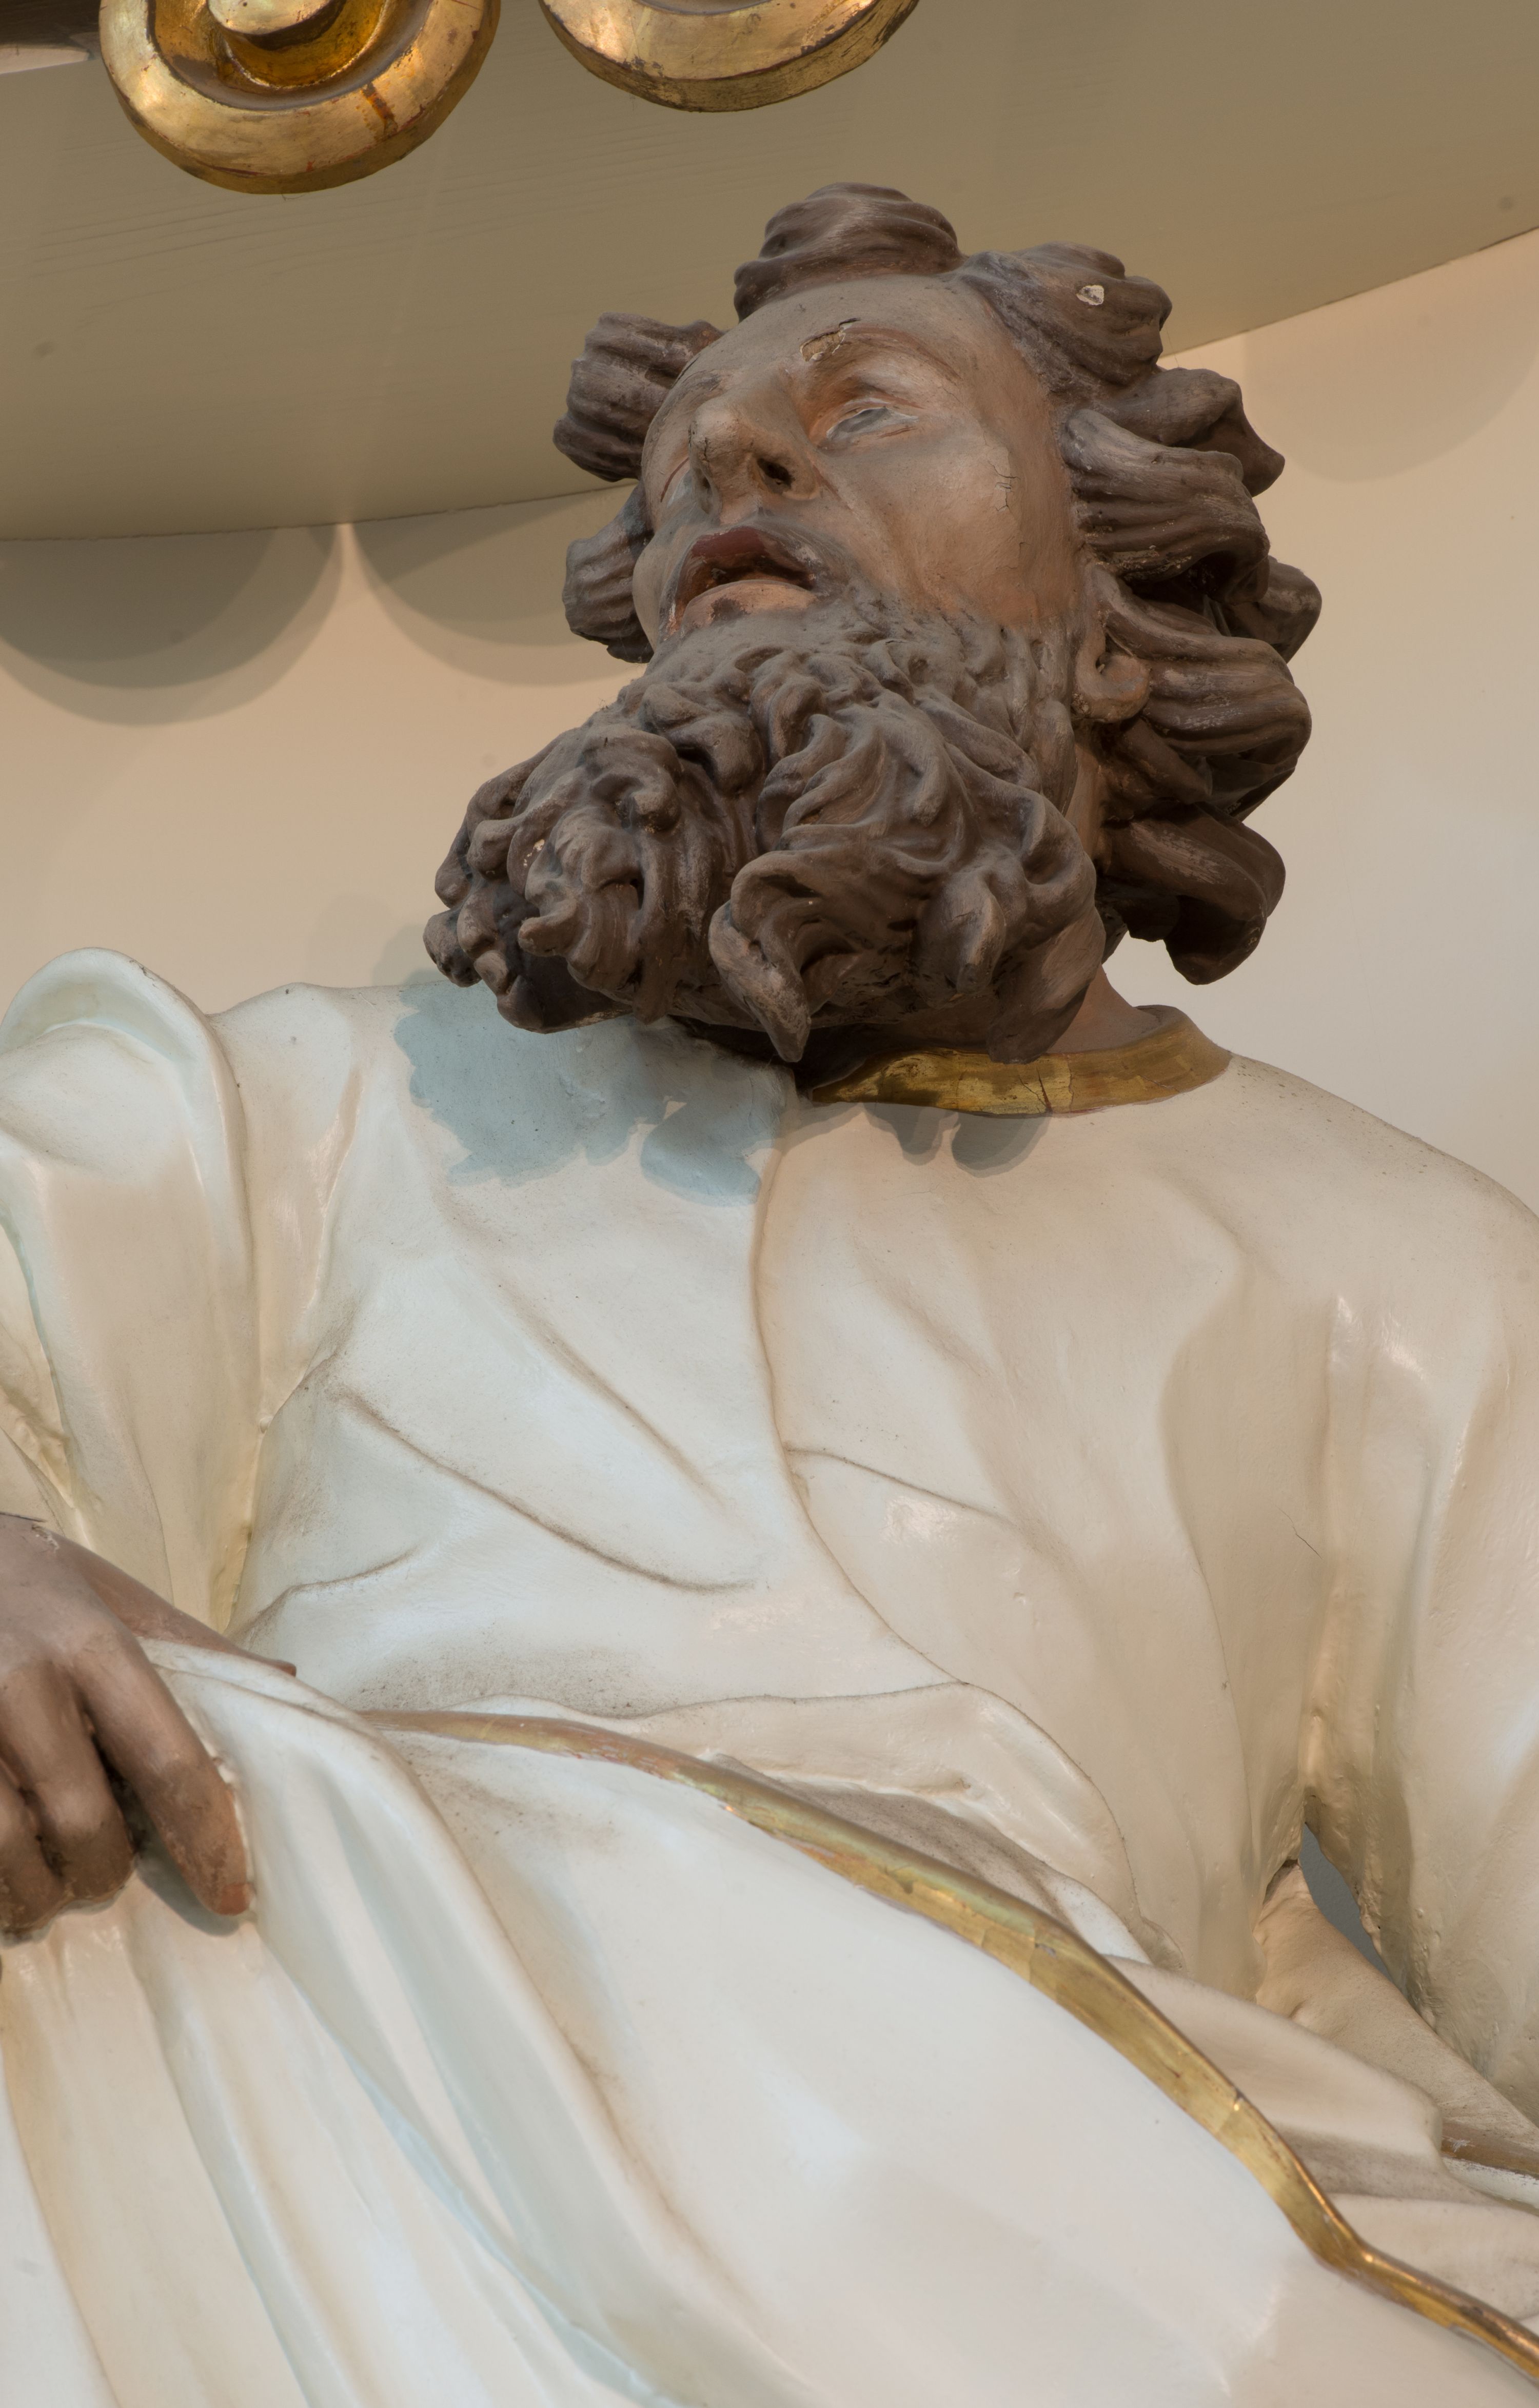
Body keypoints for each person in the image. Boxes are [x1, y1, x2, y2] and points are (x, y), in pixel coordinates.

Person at [4, 185, 1539, 2404]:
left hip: (1047, 2199)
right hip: (314, 2040)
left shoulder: (1377, 1262)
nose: (730, 466)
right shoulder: (312, 1108)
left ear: (1111, 617)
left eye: (867, 412)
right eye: (683, 473)